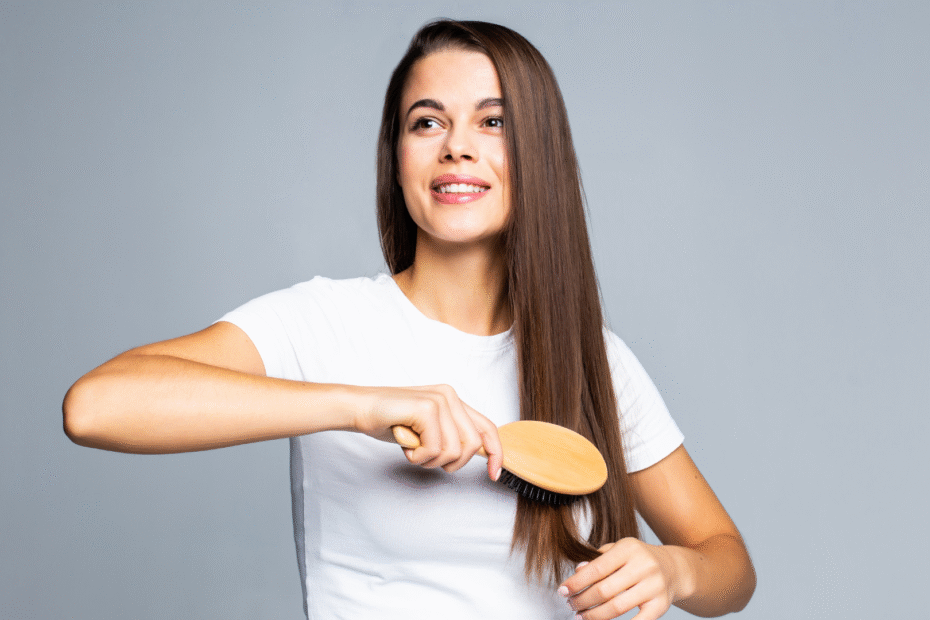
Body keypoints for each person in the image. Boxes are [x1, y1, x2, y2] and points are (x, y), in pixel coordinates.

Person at [63, 19, 756, 620]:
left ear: (538, 156)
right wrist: (363, 408)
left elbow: (729, 564)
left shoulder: (591, 360)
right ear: (397, 161)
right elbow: (96, 407)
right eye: (427, 122)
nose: (456, 145)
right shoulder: (324, 323)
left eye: (494, 121)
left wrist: (675, 571)